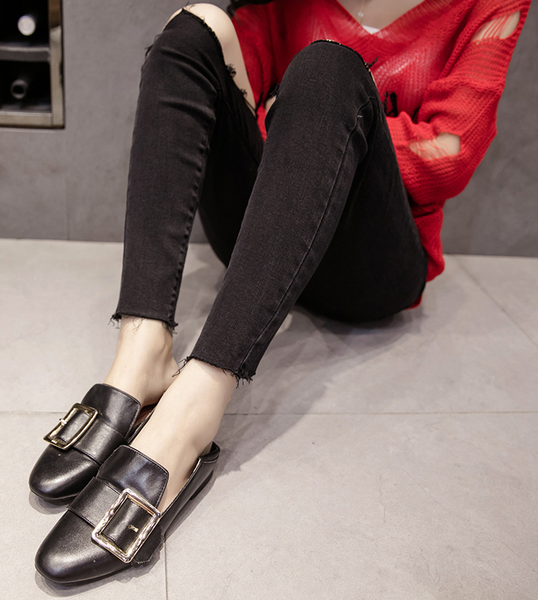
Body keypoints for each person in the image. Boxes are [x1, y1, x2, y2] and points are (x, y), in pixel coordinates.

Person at [29, 0, 530, 584]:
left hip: (371, 266)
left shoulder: (486, 7)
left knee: (328, 72)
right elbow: (232, 101)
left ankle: (192, 411)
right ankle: (143, 354)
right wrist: (305, 132)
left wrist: (320, 121)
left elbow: (449, 154)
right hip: (265, 234)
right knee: (193, 29)